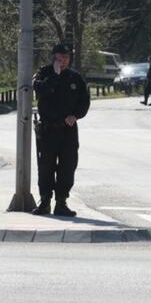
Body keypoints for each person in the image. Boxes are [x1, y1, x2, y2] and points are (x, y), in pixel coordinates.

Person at [32, 43, 91, 217]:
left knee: (67, 167)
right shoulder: (44, 74)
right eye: (59, 58)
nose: (63, 61)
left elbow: (84, 101)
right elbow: (41, 90)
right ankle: (44, 201)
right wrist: (55, 76)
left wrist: (76, 115)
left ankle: (61, 202)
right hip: (49, 129)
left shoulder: (75, 78)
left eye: (66, 58)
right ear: (53, 57)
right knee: (46, 167)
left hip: (68, 130)